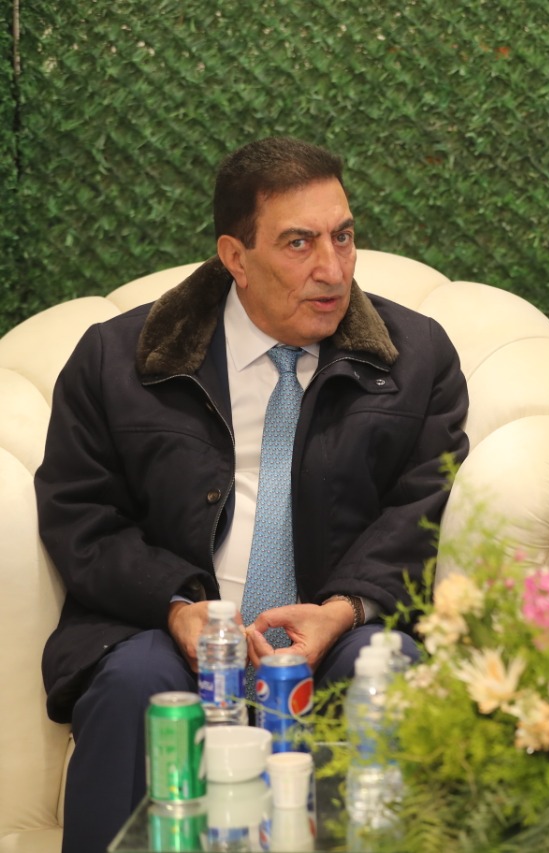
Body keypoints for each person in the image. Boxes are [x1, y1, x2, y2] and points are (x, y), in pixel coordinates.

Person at [36, 136, 469, 852]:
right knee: (134, 684)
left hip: (339, 627)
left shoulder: (415, 358)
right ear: (235, 257)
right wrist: (178, 607)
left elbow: (422, 510)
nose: (332, 269)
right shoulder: (119, 359)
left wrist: (340, 611)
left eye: (343, 236)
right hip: (165, 627)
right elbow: (81, 515)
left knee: (385, 673)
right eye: (299, 243)